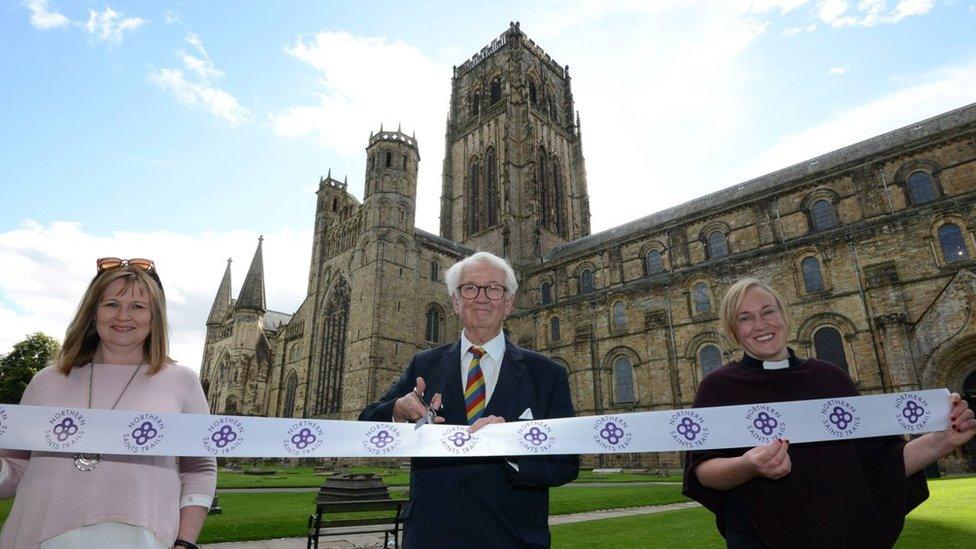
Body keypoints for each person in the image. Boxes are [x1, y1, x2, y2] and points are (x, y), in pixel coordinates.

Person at [683, 277, 975, 548]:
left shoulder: (831, 378)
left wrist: (944, 439)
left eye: (768, 312)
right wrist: (748, 465)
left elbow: (881, 462)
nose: (760, 325)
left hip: (838, 532)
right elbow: (703, 472)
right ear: (733, 330)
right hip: (758, 537)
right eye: (745, 318)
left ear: (784, 316)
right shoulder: (718, 387)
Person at [360, 251, 579, 548]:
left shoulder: (547, 374)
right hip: (430, 536)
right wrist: (397, 411)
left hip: (513, 538)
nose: (482, 297)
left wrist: (511, 446)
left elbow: (566, 463)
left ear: (509, 303)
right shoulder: (424, 365)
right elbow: (366, 426)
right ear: (455, 302)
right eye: (470, 288)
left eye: (494, 288)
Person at [0, 258, 217, 549]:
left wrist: (185, 543)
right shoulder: (46, 381)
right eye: (111, 304)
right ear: (93, 313)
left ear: (155, 318)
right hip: (41, 535)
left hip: (139, 537)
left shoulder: (182, 382)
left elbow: (199, 468)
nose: (123, 316)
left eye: (138, 307)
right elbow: (13, 470)